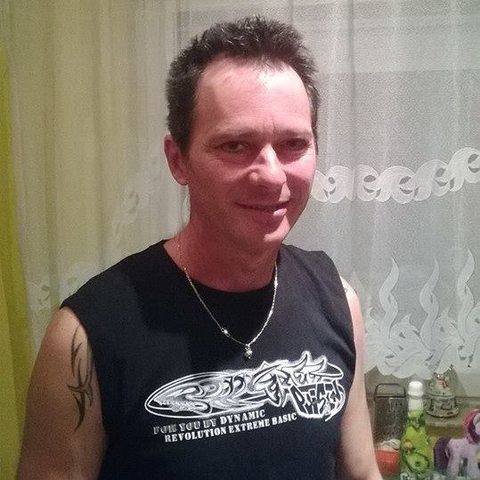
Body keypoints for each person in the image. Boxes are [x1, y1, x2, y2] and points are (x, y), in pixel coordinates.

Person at [18, 16, 382, 479]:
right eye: (235, 145)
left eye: (293, 144)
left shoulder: (337, 301)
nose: (272, 175)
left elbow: (361, 472)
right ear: (178, 160)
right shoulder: (85, 337)